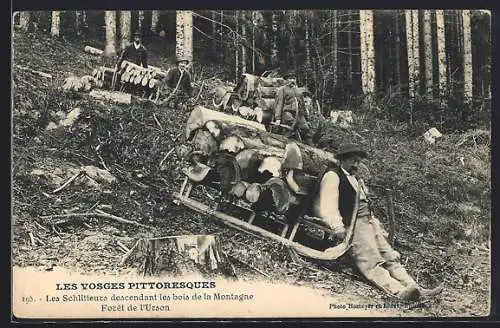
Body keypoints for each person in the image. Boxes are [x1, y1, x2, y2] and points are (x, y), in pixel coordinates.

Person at [312, 143, 444, 301]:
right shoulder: (333, 176)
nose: (356, 165)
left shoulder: (355, 179)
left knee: (389, 256)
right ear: (342, 160)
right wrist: (338, 227)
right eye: (353, 161)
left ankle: (415, 288)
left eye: (358, 162)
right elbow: (328, 205)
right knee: (371, 261)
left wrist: (377, 227)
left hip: (368, 223)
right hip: (352, 225)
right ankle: (397, 291)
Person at [273, 70, 312, 144]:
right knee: (291, 126)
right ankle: (288, 144)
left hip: (299, 114)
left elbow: (303, 105)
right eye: (290, 78)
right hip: (287, 113)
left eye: (294, 78)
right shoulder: (282, 90)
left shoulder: (298, 91)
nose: (292, 80)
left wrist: (306, 118)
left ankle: (312, 148)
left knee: (306, 128)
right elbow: (279, 104)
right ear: (286, 80)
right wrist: (278, 118)